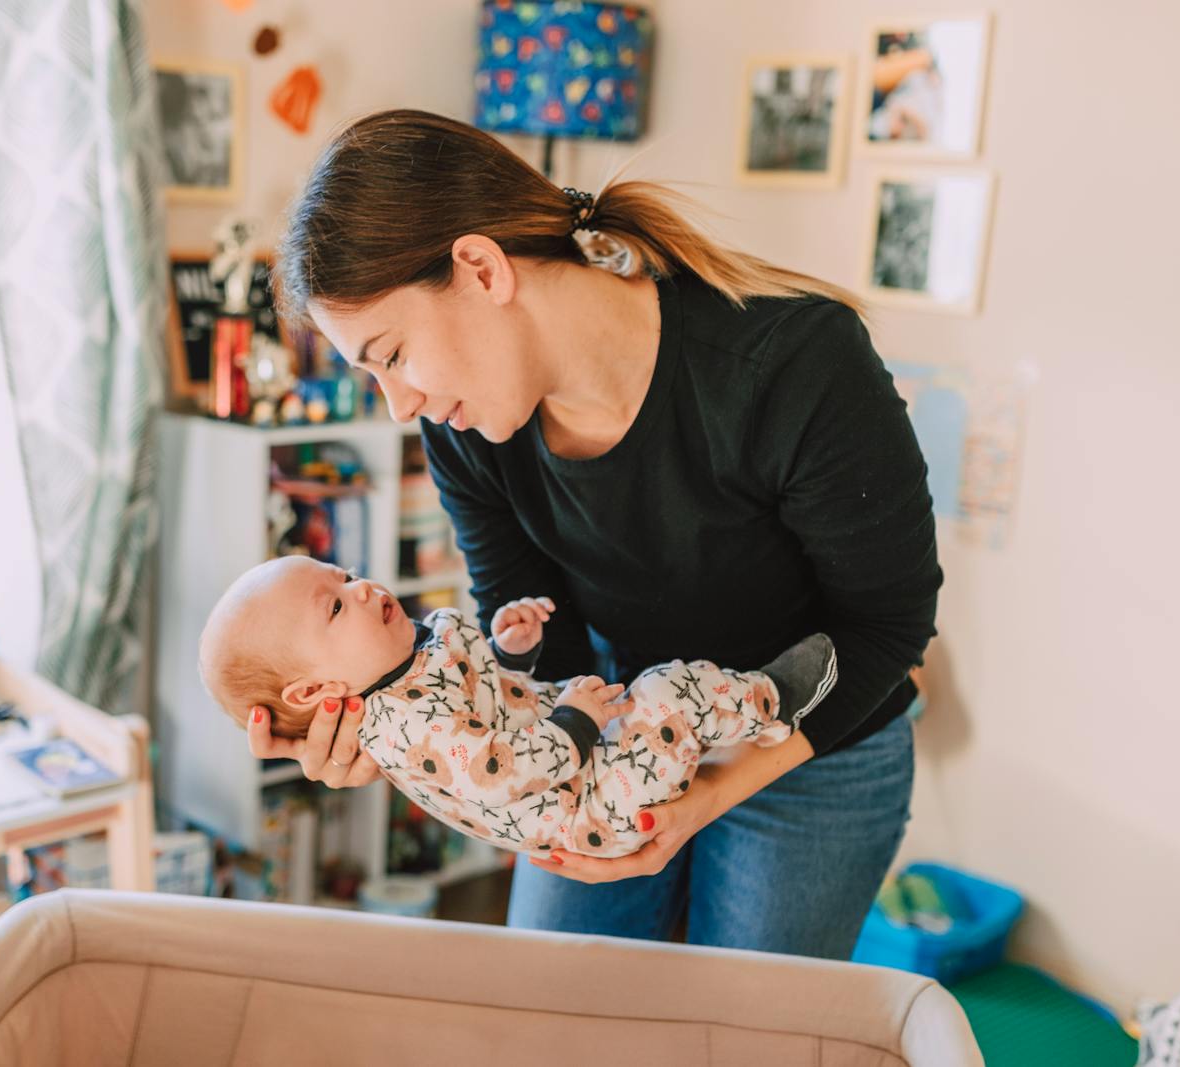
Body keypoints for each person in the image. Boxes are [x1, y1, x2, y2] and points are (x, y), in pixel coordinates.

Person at [246, 109, 941, 959]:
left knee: (748, 1033)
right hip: (610, 717)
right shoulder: (464, 429)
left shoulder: (793, 365)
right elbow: (529, 617)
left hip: (813, 741)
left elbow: (889, 625)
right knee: (550, 1007)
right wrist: (395, 715)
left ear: (480, 268)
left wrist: (705, 793)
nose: (401, 404)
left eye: (391, 355)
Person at [199, 555, 837, 858]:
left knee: (663, 698)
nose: (361, 588)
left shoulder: (408, 663)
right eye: (335, 606)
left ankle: (746, 714)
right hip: (588, 805)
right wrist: (576, 721)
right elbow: (494, 771)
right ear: (315, 693)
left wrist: (512, 653)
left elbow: (488, 710)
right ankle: (774, 700)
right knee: (669, 691)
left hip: (579, 763)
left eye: (340, 574)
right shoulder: (403, 724)